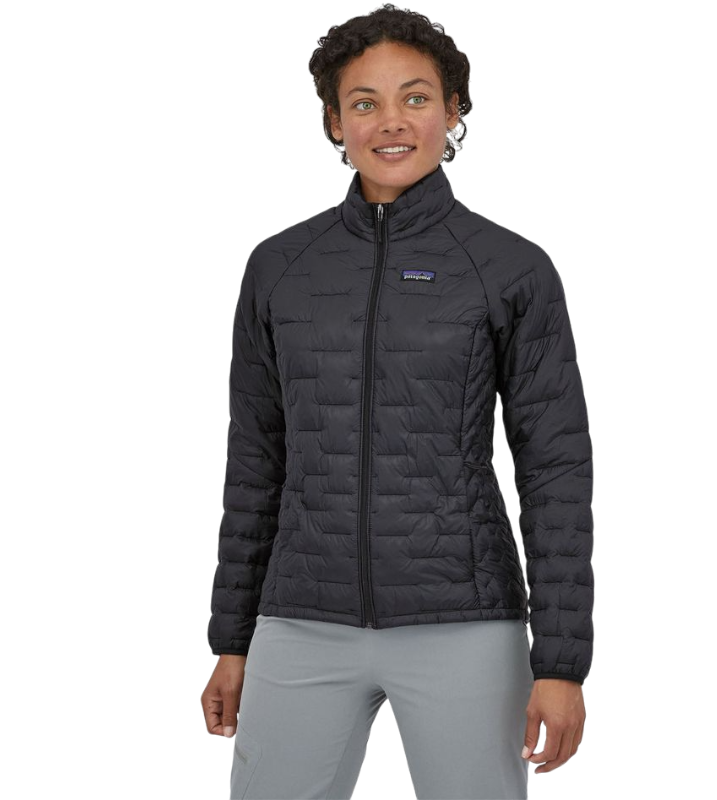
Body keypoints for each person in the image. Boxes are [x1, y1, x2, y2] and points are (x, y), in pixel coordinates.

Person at [200, 3, 593, 798]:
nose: (391, 122)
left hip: (465, 623)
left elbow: (555, 471)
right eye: (364, 102)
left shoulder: (510, 268)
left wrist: (560, 664)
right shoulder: (280, 266)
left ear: (454, 113)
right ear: (333, 122)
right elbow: (255, 463)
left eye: (416, 98)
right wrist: (234, 642)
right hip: (299, 621)